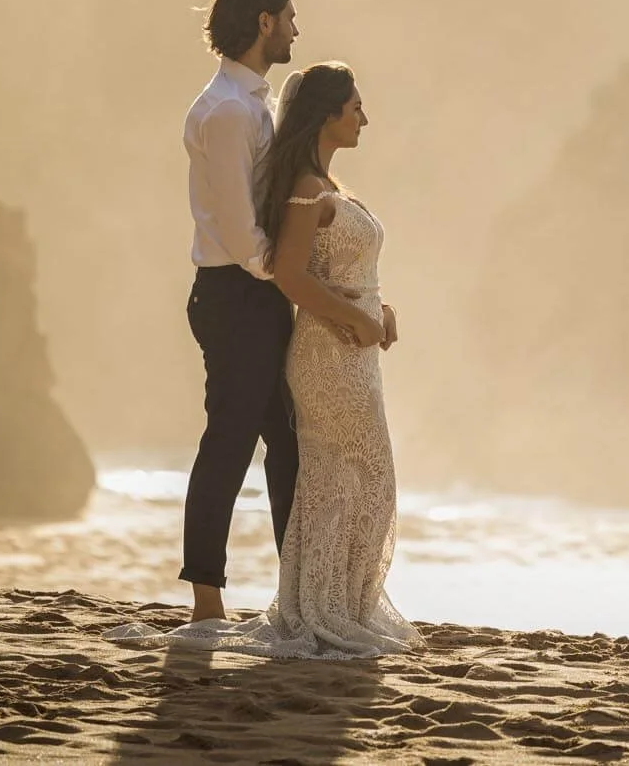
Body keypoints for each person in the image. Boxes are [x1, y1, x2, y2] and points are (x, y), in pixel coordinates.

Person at [111, 62, 420, 658]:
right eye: (355, 106)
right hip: (299, 332)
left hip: (343, 345)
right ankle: (276, 603)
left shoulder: (319, 177)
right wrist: (355, 317)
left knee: (341, 471)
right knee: (289, 459)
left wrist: (377, 307)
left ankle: (332, 600)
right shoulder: (251, 135)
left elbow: (336, 267)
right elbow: (286, 269)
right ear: (327, 114)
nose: (365, 117)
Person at [166, 0, 359, 624]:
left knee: (288, 439)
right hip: (233, 293)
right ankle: (205, 602)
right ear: (263, 23)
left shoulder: (254, 103)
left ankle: (298, 592)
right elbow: (233, 220)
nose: (298, 27)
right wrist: (282, 270)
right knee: (230, 439)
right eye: (290, 15)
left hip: (258, 293)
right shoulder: (224, 110)